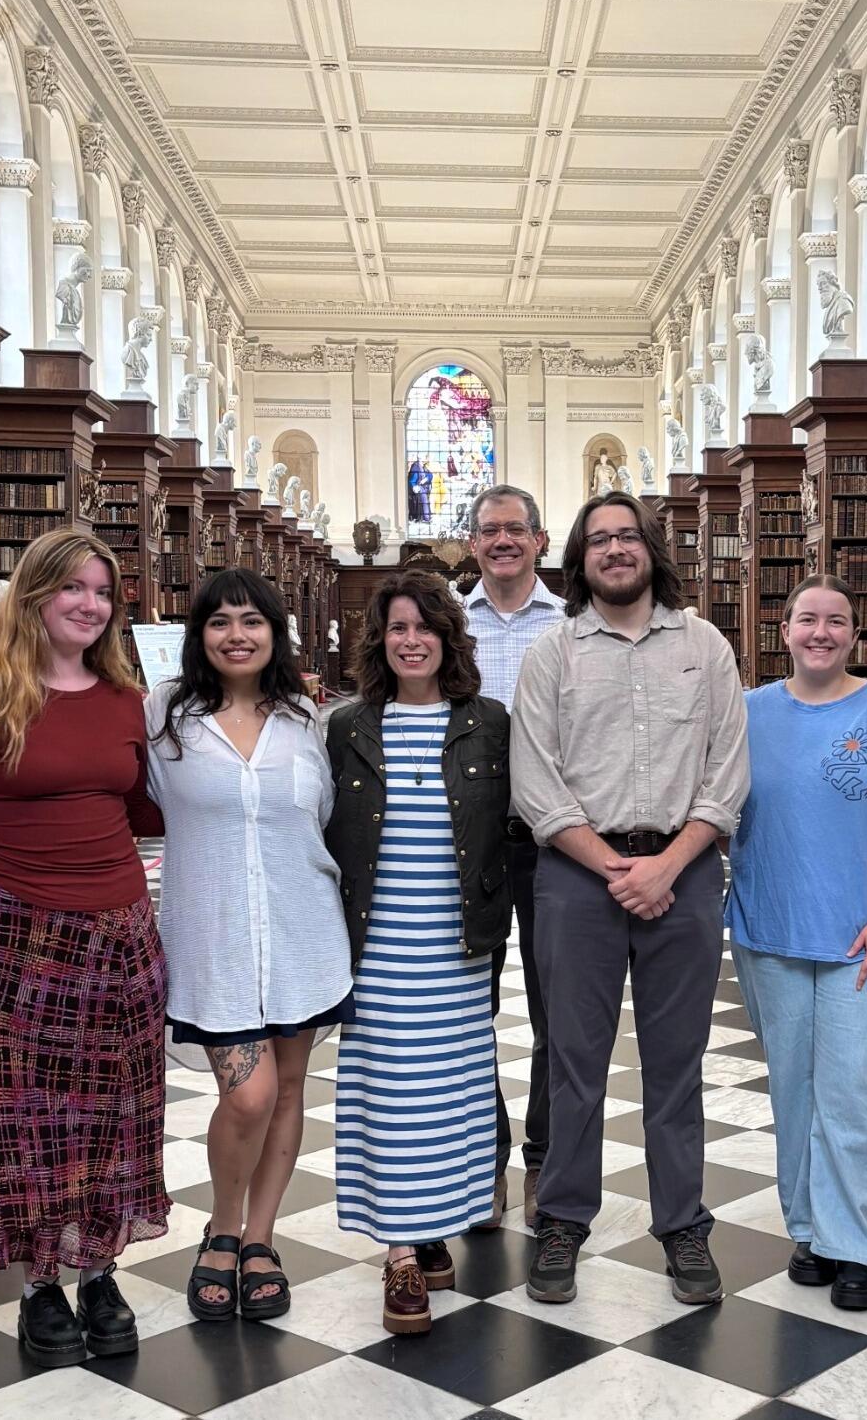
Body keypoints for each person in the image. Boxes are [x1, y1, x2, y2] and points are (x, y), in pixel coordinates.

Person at [0, 528, 167, 1369]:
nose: (89, 605)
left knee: (114, 1111)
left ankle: (98, 1269)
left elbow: (149, 810)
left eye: (102, 591)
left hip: (123, 929)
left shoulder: (129, 698)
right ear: (35, 597)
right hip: (22, 936)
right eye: (71, 590)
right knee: (27, 1114)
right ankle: (37, 1284)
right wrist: (4, 868)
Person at [510, 491, 749, 1307]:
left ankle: (681, 1224)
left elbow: (727, 776)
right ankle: (563, 1222)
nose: (615, 549)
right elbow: (535, 783)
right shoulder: (552, 654)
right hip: (577, 878)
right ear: (577, 561)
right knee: (573, 1061)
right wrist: (617, 867)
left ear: (652, 549)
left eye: (628, 536)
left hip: (682, 875)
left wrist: (666, 866)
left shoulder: (705, 647)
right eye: (598, 540)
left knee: (677, 1065)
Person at [145, 567, 353, 1323]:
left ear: (275, 632)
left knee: (290, 1090)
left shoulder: (306, 719)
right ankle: (220, 1230)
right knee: (249, 1093)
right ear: (198, 636)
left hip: (302, 931)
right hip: (215, 938)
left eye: (252, 620)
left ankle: (260, 1239)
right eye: (220, 621)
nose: (237, 634)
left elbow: (323, 817)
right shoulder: (164, 715)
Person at [727, 575, 867, 1311]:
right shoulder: (748, 712)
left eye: (836, 621)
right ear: (783, 631)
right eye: (806, 619)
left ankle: (853, 1247)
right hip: (770, 931)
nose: (821, 632)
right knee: (794, 1092)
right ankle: (807, 1230)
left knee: (858, 1092)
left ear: (856, 635)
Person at [324, 569, 513, 1335]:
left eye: (424, 627)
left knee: (448, 1094)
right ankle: (400, 1251)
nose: (410, 641)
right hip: (378, 941)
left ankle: (433, 1224)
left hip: (459, 942)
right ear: (380, 639)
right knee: (391, 1092)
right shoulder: (346, 726)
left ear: (447, 637)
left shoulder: (489, 721)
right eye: (397, 628)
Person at [464, 484, 565, 1224]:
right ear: (471, 543)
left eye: (515, 529)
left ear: (540, 540)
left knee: (557, 1010)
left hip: (553, 844)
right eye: (488, 530)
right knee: (468, 1010)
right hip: (462, 847)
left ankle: (545, 1161)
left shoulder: (571, 625)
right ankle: (483, 1161)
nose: (502, 540)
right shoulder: (445, 624)